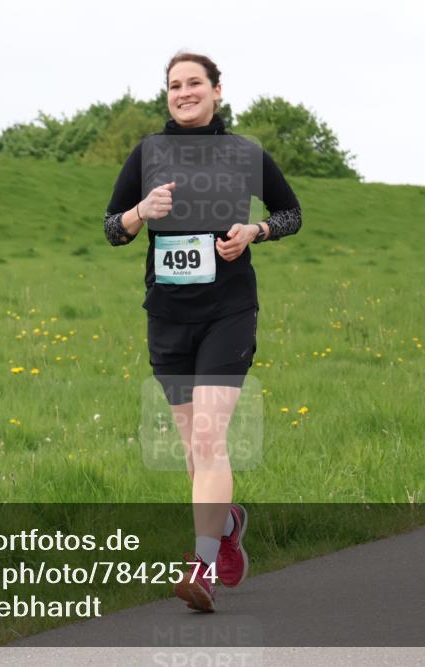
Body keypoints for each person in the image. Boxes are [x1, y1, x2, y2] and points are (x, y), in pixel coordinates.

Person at [103, 51, 302, 612]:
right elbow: (113, 228)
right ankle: (229, 524)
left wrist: (256, 231)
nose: (184, 92)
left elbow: (291, 213)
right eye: (174, 85)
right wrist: (141, 211)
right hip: (168, 316)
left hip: (227, 311)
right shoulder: (148, 153)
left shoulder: (244, 152)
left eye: (195, 83)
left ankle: (202, 568)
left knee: (211, 441)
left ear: (217, 89)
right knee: (194, 452)